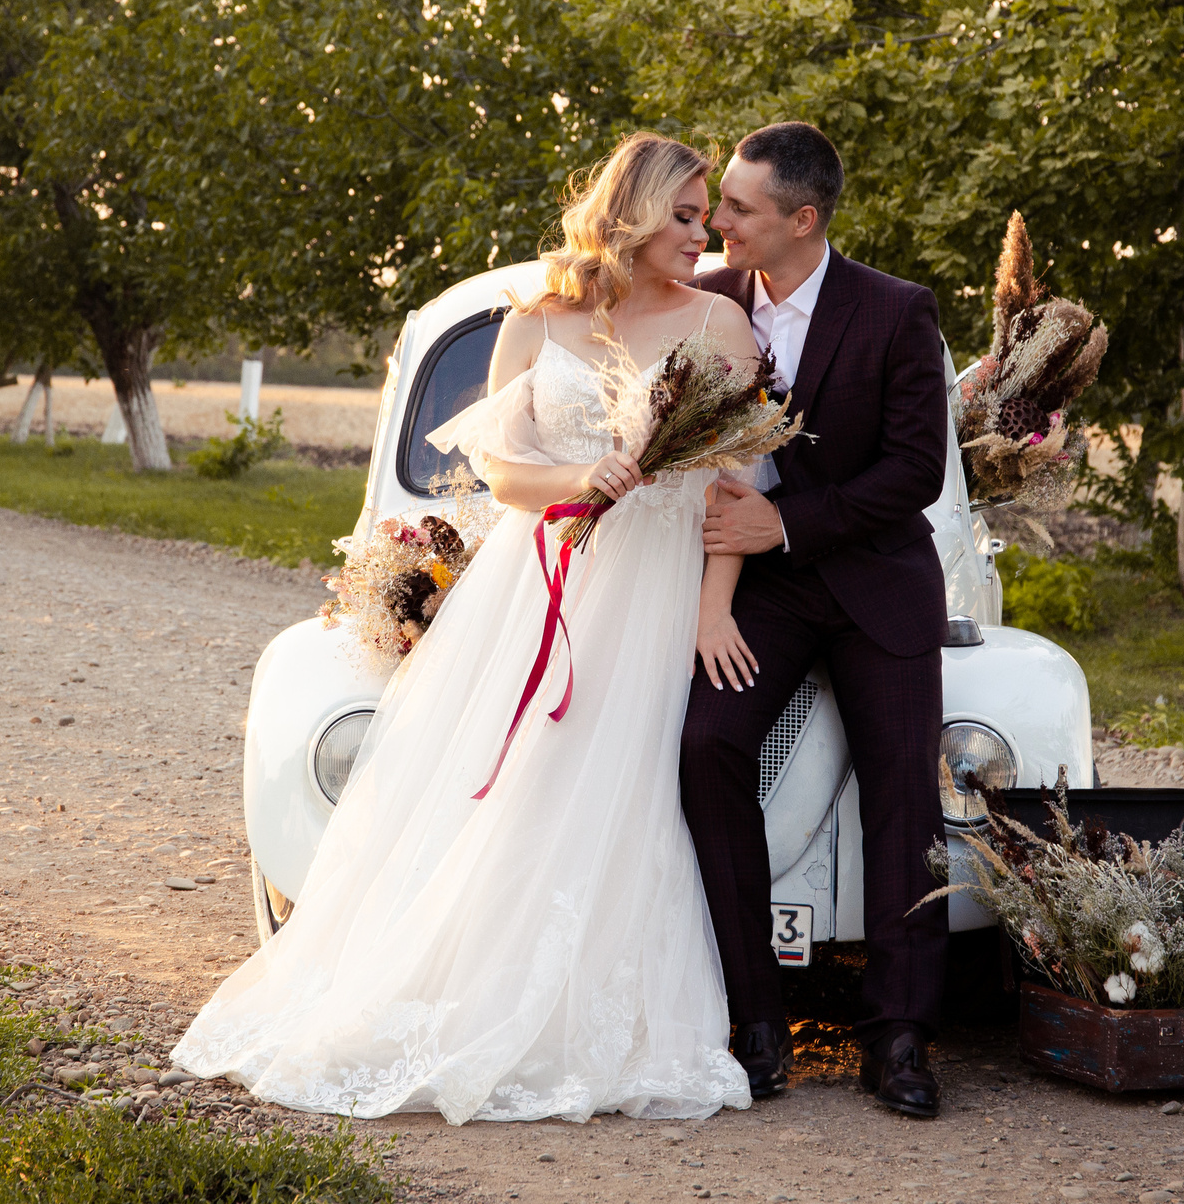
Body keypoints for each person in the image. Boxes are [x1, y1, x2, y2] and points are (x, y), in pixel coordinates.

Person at [170, 131, 762, 1123]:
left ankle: (593, 1003)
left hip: (654, 587)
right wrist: (585, 479)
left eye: (707, 218)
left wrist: (712, 607)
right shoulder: (539, 317)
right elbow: (500, 472)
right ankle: (468, 981)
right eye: (686, 216)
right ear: (632, 213)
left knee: (624, 785)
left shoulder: (719, 321)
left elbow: (735, 489)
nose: (701, 237)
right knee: (520, 777)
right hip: (544, 578)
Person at [684, 122, 952, 1119]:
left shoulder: (894, 311)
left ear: (802, 220)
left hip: (875, 579)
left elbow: (914, 471)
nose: (718, 221)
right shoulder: (704, 299)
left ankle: (899, 1033)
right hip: (764, 593)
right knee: (705, 743)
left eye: (739, 208)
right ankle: (755, 1016)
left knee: (901, 796)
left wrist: (785, 521)